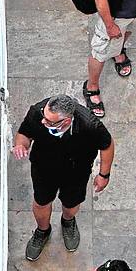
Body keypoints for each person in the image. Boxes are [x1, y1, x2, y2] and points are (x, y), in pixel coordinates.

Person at [13, 93, 115, 262]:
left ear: (66, 121)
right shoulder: (38, 112)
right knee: (41, 203)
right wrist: (20, 145)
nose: (43, 121)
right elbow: (24, 133)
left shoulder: (90, 125)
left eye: (49, 121)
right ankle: (42, 231)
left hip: (76, 172)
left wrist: (104, 174)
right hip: (43, 168)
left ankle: (68, 222)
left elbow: (107, 145)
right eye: (44, 117)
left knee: (71, 205)